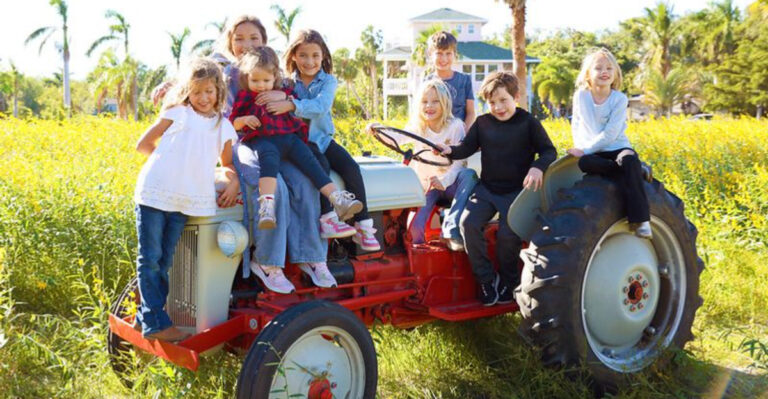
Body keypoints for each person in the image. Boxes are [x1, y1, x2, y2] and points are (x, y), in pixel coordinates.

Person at [153, 15, 336, 295]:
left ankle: (311, 257)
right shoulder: (223, 73)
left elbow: (301, 95)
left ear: (264, 42)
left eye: (254, 38)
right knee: (277, 192)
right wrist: (171, 86)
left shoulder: (272, 71)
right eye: (239, 38)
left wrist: (287, 101)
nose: (246, 44)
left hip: (277, 143)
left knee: (304, 183)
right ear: (229, 42)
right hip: (243, 145)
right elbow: (195, 78)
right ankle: (268, 262)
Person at [134, 58, 239, 341]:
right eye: (196, 92)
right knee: (150, 259)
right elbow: (143, 144)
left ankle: (144, 318)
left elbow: (227, 165)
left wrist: (235, 180)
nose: (203, 98)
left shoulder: (222, 126)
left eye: (209, 91)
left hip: (186, 201)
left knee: (166, 260)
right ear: (187, 92)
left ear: (219, 91)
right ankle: (156, 323)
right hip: (155, 193)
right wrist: (171, 165)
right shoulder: (178, 113)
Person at [436, 71, 557, 307]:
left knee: (506, 237)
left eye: (503, 100)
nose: (498, 107)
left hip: (516, 192)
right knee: (467, 224)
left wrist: (537, 167)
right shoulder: (483, 123)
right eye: (492, 102)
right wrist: (450, 151)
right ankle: (485, 279)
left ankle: (509, 282)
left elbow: (549, 151)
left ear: (516, 97)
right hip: (487, 189)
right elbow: (466, 148)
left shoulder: (528, 122)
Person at [256, 30, 381, 251]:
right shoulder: (286, 83)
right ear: (294, 56)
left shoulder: (328, 81)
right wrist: (285, 98)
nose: (309, 61)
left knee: (351, 167)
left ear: (323, 56)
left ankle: (363, 225)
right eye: (303, 55)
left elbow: (321, 106)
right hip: (300, 142)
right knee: (320, 167)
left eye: (315, 55)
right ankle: (328, 219)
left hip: (322, 139)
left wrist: (291, 103)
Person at [229, 47, 362, 234]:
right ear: (246, 78)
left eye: (266, 80)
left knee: (311, 162)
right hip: (264, 140)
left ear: (275, 77)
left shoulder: (283, 90)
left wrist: (284, 96)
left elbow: (298, 102)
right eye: (255, 80)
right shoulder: (245, 97)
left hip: (290, 137)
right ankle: (266, 206)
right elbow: (232, 122)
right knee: (268, 164)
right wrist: (244, 120)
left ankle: (337, 198)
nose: (261, 85)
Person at [367, 79, 477, 248]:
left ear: (445, 103)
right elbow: (398, 138)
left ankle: (450, 228)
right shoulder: (419, 127)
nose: (429, 106)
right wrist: (378, 130)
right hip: (428, 186)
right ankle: (419, 263)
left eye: (435, 101)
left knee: (469, 175)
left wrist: (445, 180)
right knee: (414, 230)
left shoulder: (455, 126)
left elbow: (460, 162)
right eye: (425, 102)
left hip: (451, 184)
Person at [566, 48, 653, 239]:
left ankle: (641, 221)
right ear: (588, 74)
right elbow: (577, 123)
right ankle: (635, 172)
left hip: (617, 147)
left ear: (615, 74)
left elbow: (611, 134)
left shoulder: (619, 99)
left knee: (628, 160)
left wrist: (586, 149)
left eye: (609, 68)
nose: (604, 72)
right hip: (596, 153)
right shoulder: (581, 96)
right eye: (598, 68)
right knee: (585, 163)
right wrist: (580, 146)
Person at [423, 31, 476, 130]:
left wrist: (464, 136)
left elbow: (471, 113)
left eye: (448, 53)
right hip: (434, 137)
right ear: (430, 55)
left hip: (458, 136)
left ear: (454, 54)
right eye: (439, 53)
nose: (444, 58)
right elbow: (422, 112)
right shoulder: (426, 82)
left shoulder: (465, 80)